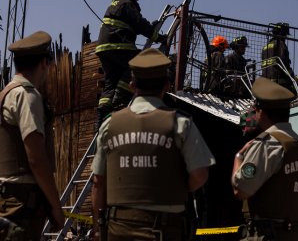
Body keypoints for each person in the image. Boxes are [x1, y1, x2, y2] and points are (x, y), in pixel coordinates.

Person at [91, 48, 216, 241]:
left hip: (118, 229)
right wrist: (173, 187)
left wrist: (98, 229)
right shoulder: (181, 123)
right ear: (166, 85)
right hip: (165, 229)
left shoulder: (110, 124)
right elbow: (200, 175)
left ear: (132, 85)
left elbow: (98, 181)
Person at [231, 77, 298, 241]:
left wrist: (238, 158)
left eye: (255, 108)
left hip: (270, 235)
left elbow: (240, 190)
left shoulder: (267, 144)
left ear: (261, 112)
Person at [0, 31, 65, 240]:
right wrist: (55, 206)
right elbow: (36, 159)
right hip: (20, 202)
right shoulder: (27, 96)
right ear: (44, 63)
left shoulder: (5, 95)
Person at [95, 0, 167, 129]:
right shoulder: (128, 5)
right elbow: (139, 24)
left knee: (110, 82)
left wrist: (149, 28)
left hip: (104, 49)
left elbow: (130, 25)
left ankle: (101, 118)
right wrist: (158, 37)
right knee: (136, 65)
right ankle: (119, 102)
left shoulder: (114, 4)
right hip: (118, 46)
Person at [261, 22, 295, 91]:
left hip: (266, 80)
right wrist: (292, 76)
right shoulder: (281, 44)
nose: (285, 37)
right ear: (281, 34)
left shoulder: (265, 46)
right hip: (279, 81)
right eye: (284, 35)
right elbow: (284, 64)